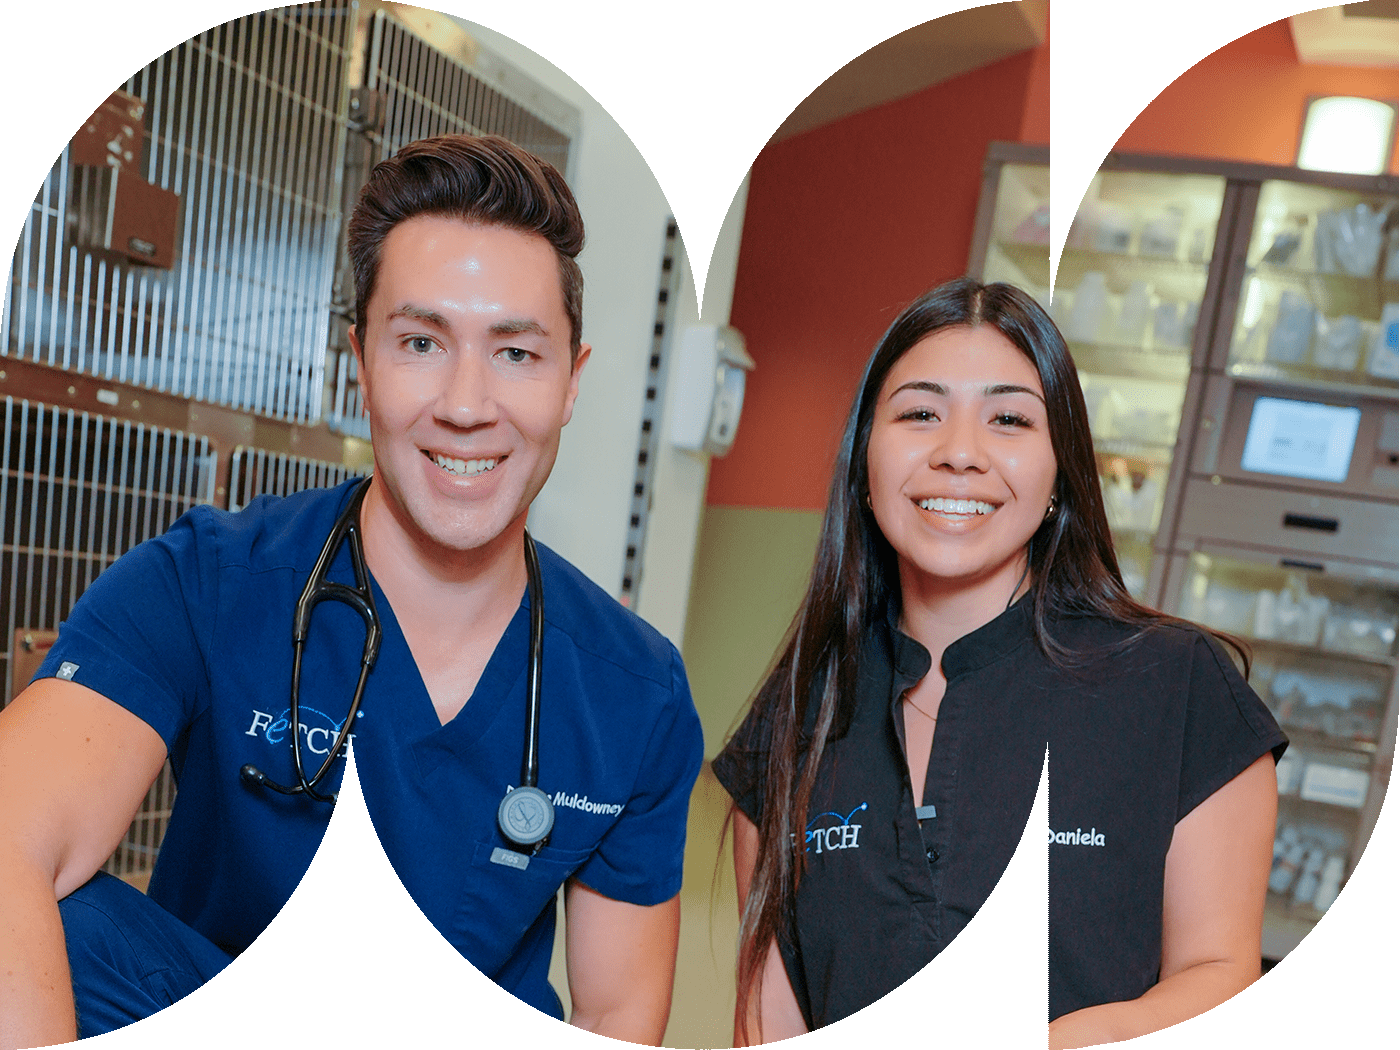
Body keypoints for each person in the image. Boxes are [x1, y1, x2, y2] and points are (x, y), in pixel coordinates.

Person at [0, 134, 703, 1048]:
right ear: (357, 362)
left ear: (573, 380)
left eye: (517, 355)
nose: (465, 402)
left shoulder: (633, 692)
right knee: (73, 932)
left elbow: (615, 1013)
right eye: (420, 341)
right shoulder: (205, 582)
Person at [712, 279, 1285, 1045]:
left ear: (1059, 476)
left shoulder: (1176, 685)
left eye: (1009, 419)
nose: (958, 454)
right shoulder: (799, 709)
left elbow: (1219, 975)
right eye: (920, 413)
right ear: (864, 462)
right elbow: (770, 1018)